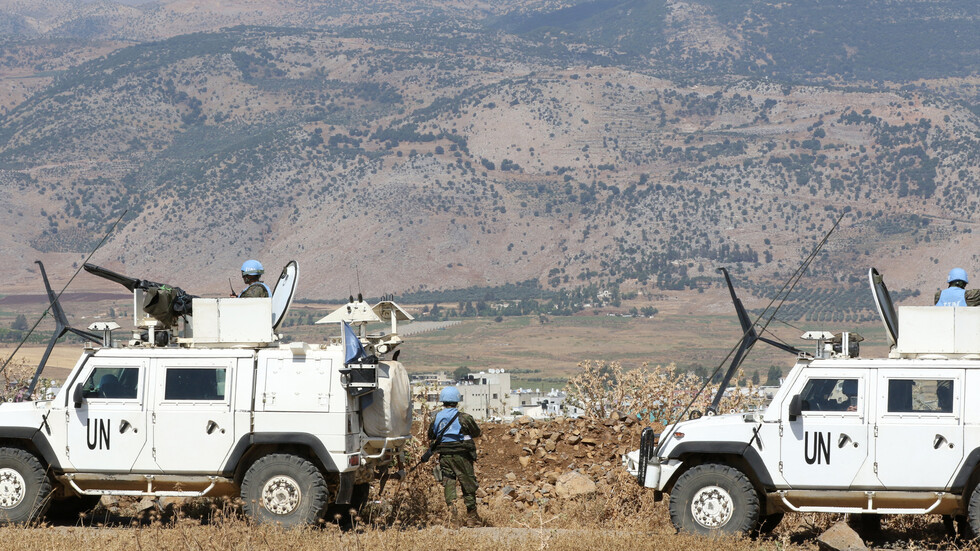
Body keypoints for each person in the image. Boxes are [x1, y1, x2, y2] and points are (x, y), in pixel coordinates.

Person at [428, 386, 482, 526]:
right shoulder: (465, 418)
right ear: (457, 401)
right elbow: (476, 432)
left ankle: (453, 518)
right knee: (468, 484)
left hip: (445, 457)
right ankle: (472, 517)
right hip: (462, 456)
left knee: (449, 485)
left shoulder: (436, 418)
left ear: (442, 401)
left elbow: (431, 435)